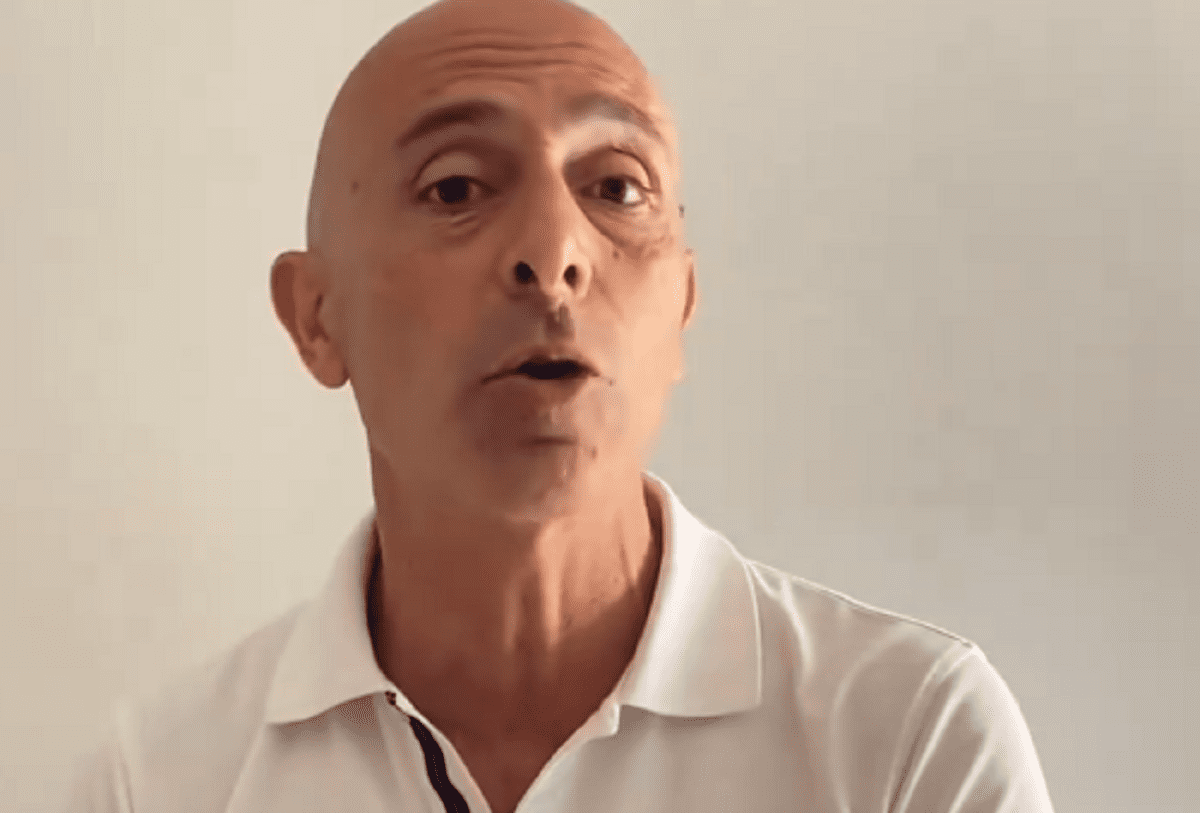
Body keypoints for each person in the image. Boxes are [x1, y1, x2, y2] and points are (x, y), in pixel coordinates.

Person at [64, 0, 1056, 811]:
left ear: (682, 308)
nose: (554, 252)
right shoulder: (161, 782)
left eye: (616, 188)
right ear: (317, 318)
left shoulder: (905, 739)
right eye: (456, 188)